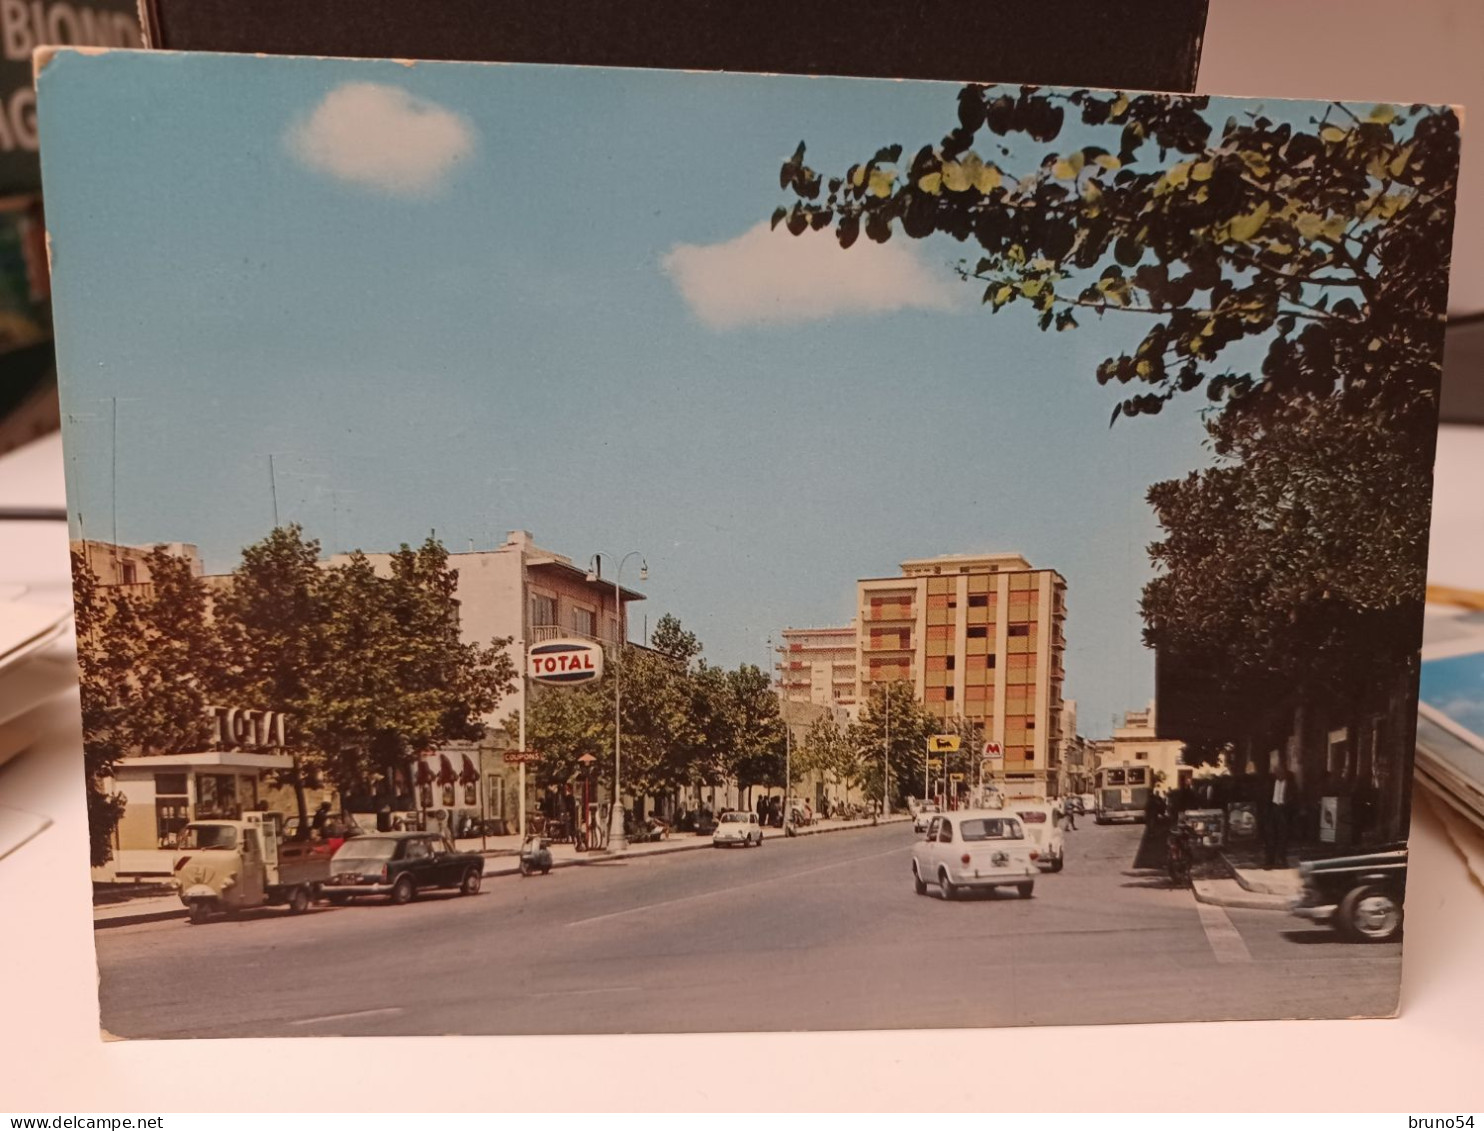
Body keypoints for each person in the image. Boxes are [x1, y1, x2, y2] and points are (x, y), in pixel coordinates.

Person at [1264, 762, 1294, 869]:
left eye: (1281, 772)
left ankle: (1281, 858)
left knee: (1283, 835)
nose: (1279, 775)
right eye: (1277, 772)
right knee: (1270, 835)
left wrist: (1287, 806)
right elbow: (1267, 796)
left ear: (1284, 773)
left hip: (1283, 810)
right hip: (1273, 809)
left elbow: (1293, 797)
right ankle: (1270, 860)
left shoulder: (1290, 784)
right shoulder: (1271, 782)